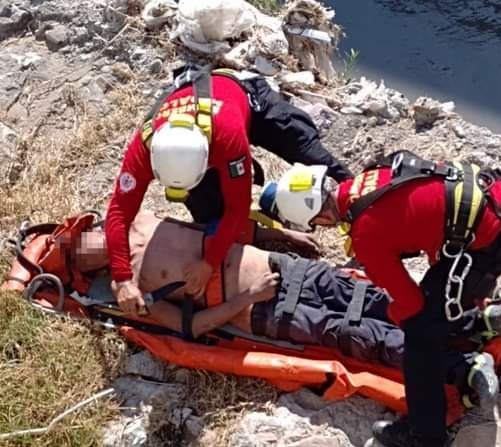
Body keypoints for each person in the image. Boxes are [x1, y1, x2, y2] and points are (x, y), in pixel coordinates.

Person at [76, 211, 501, 395]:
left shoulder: (142, 217)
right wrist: (249, 296)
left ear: (90, 226)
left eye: (81, 239)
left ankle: (468, 328)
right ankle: (460, 371)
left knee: (370, 297)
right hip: (262, 308)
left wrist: (280, 236)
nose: (86, 246)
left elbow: (221, 226)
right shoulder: (130, 291)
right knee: (354, 333)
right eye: (78, 255)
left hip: (282, 266)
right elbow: (190, 329)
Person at [261, 150, 501, 447]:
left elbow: (410, 305)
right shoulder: (368, 178)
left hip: (492, 242)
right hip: (500, 202)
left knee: (419, 335)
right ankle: (481, 324)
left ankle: (426, 433)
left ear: (320, 216)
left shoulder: (367, 235)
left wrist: (395, 313)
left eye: (317, 224)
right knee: (432, 306)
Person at [105, 66, 353, 317]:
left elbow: (237, 208)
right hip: (204, 125)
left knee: (312, 156)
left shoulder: (228, 139)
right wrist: (123, 278)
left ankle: (363, 209)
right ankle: (273, 208)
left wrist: (208, 264)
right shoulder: (145, 148)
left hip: (247, 99)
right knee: (211, 213)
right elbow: (118, 212)